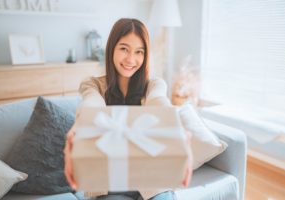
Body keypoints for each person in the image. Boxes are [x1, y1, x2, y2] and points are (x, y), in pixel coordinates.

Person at [64, 18, 191, 200]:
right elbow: (92, 105)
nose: (131, 59)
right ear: (111, 49)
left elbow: (158, 101)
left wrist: (175, 126)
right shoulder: (93, 85)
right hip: (108, 184)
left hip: (151, 180)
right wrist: (80, 127)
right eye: (124, 49)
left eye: (139, 52)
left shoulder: (154, 85)